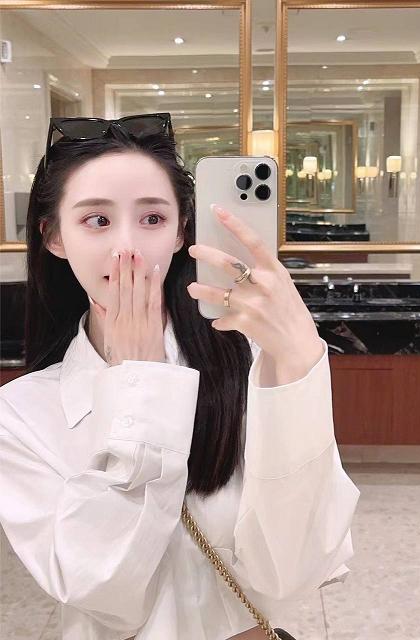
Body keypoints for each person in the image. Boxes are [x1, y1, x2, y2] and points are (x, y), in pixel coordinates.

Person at [0, 113, 361, 640]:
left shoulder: (249, 364)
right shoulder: (22, 413)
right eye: (96, 220)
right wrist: (142, 390)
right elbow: (102, 594)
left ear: (179, 233)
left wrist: (299, 365)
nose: (127, 248)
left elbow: (291, 574)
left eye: (152, 218)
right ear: (54, 236)